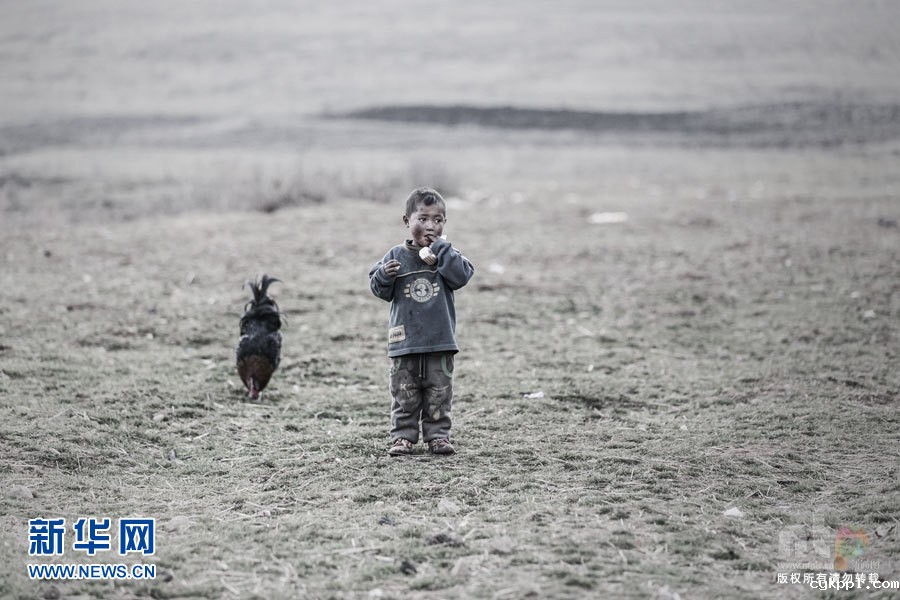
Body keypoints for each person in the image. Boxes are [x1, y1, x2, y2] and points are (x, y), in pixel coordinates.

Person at [369, 187, 475, 456]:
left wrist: (442, 250)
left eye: (437, 220)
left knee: (439, 392)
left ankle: (438, 436)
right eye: (423, 219)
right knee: (404, 392)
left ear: (445, 223)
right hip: (404, 342)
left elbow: (462, 276)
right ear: (407, 221)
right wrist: (384, 275)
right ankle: (403, 437)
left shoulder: (447, 255)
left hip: (440, 342)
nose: (431, 226)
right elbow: (379, 289)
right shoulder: (395, 256)